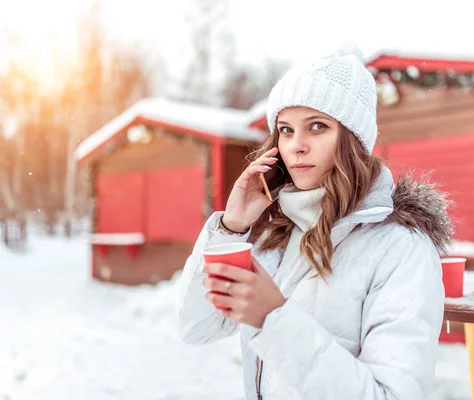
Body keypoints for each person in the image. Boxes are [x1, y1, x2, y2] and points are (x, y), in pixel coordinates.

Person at [175, 45, 453, 400]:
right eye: (286, 130)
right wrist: (231, 228)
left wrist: (273, 319)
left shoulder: (399, 247)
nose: (296, 146)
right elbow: (197, 326)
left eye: (317, 127)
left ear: (352, 139)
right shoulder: (276, 234)